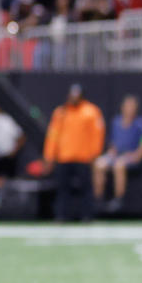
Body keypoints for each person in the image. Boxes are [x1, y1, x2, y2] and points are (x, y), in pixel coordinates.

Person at [42, 83, 104, 221]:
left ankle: (87, 215)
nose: (74, 98)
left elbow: (97, 134)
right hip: (64, 157)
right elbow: (53, 135)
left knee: (86, 189)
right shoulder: (61, 112)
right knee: (62, 189)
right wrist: (49, 156)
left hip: (83, 157)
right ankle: (61, 215)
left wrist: (95, 154)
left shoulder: (91, 111)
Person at [93, 94, 142, 212]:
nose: (129, 109)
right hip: (115, 155)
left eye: (132, 106)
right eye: (127, 106)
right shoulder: (116, 122)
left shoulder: (141, 123)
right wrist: (112, 150)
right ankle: (97, 199)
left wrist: (137, 155)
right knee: (99, 163)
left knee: (119, 165)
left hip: (130, 157)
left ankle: (118, 199)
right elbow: (113, 142)